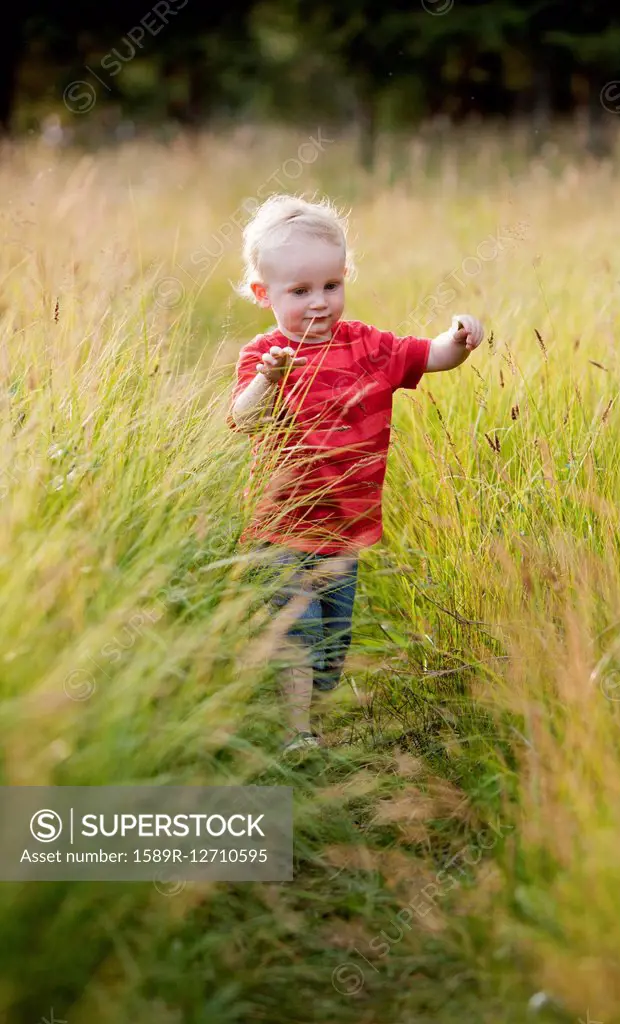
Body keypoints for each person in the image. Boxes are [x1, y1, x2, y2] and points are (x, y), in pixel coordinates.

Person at [226, 193, 484, 753]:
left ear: (344, 278)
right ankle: (298, 732)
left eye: (330, 286)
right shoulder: (266, 354)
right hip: (281, 525)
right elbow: (241, 420)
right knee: (298, 630)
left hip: (345, 529)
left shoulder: (368, 346)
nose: (319, 303)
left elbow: (430, 355)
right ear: (263, 294)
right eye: (299, 292)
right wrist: (268, 381)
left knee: (331, 648)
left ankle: (309, 703)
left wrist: (460, 339)